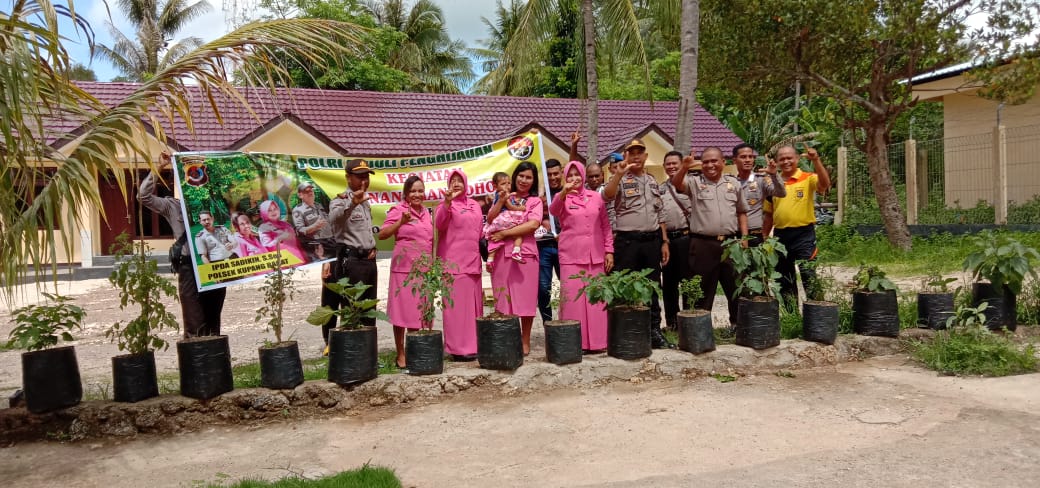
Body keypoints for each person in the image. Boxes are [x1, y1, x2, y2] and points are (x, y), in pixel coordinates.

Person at [139, 152, 225, 338]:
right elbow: (143, 197)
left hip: (215, 265)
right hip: (189, 267)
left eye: (200, 179)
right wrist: (159, 166)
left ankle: (215, 364)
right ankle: (196, 361)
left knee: (213, 320)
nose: (196, 183)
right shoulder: (173, 206)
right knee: (193, 321)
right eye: (190, 179)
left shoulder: (214, 205)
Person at [604, 139, 673, 349]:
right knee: (622, 286)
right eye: (631, 153)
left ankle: (654, 332)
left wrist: (664, 241)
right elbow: (607, 195)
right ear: (625, 156)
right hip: (627, 242)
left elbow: (659, 213)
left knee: (652, 286)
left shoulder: (652, 181)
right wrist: (619, 174)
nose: (635, 156)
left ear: (645, 156)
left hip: (651, 241)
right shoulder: (620, 179)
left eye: (639, 152)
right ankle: (622, 333)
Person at [670, 147, 749, 326]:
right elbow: (677, 184)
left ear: (723, 162)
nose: (710, 165)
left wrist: (744, 238)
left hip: (730, 244)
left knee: (736, 287)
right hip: (703, 244)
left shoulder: (733, 184)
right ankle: (700, 329)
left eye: (714, 161)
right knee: (702, 290)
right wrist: (684, 167)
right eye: (705, 162)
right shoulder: (695, 183)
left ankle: (738, 326)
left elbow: (742, 212)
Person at [549, 161, 614, 352]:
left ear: (584, 176)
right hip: (571, 256)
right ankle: (574, 342)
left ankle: (598, 343)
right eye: (570, 175)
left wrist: (609, 250)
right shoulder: (561, 198)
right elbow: (553, 211)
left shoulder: (596, 198)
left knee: (596, 300)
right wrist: (563, 192)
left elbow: (605, 226)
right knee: (573, 302)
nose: (574, 179)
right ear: (565, 177)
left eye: (578, 175)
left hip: (596, 256)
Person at [487, 162, 543, 355]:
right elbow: (490, 219)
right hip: (502, 252)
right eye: (521, 176)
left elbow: (533, 224)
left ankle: (525, 340)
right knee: (502, 297)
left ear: (533, 180)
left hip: (525, 253)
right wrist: (501, 201)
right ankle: (506, 339)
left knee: (526, 300)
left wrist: (505, 234)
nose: (524, 180)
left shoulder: (535, 201)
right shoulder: (503, 196)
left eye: (529, 177)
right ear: (514, 177)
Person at [379, 175, 434, 369]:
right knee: (402, 312)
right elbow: (383, 234)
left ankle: (417, 350)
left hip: (424, 269)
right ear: (406, 193)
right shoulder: (398, 210)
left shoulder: (427, 213)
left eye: (420, 190)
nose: (417, 194)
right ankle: (401, 353)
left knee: (420, 311)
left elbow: (430, 240)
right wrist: (400, 222)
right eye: (413, 191)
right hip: (404, 269)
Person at [323, 159, 379, 347]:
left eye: (366, 176)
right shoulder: (340, 200)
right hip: (351, 262)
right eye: (359, 176)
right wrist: (352, 203)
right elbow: (334, 219)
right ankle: (350, 352)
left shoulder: (366, 202)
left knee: (369, 309)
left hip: (368, 262)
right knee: (351, 309)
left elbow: (364, 231)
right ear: (348, 178)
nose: (364, 181)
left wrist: (372, 246)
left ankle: (367, 352)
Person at [768, 145, 831, 301]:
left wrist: (816, 160)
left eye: (789, 158)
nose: (786, 161)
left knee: (808, 273)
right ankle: (791, 316)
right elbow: (768, 214)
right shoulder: (771, 182)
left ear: (797, 159)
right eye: (782, 159)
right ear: (776, 162)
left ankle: (817, 315)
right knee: (784, 278)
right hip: (780, 236)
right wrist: (764, 236)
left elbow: (824, 185)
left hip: (804, 234)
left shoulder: (807, 178)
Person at [435, 169, 485, 361]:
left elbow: (479, 231)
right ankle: (457, 349)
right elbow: (439, 224)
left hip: (473, 263)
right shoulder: (445, 206)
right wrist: (447, 202)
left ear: (466, 184)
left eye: (460, 181)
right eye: (453, 181)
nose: (456, 184)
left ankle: (474, 345)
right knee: (455, 308)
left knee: (473, 307)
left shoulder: (475, 205)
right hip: (453, 264)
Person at [659, 150, 693, 330]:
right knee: (669, 284)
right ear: (664, 167)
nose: (671, 167)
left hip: (686, 237)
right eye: (668, 164)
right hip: (668, 242)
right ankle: (672, 323)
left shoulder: (691, 185)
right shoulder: (660, 189)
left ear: (682, 165)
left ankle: (688, 319)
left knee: (688, 281)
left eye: (675, 164)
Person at [733, 143, 785, 246]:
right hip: (733, 234)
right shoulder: (730, 182)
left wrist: (774, 175)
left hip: (754, 234)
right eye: (743, 157)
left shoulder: (761, 180)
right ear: (735, 160)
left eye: (750, 157)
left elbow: (781, 193)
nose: (748, 160)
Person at [536, 158, 563, 324]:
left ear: (561, 173)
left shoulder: (568, 193)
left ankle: (567, 322)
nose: (553, 177)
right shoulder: (540, 196)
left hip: (564, 247)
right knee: (543, 288)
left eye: (556, 173)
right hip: (543, 247)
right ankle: (548, 323)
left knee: (567, 286)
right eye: (549, 174)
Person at [482, 172, 527, 267]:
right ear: (495, 186)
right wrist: (521, 208)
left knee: (495, 240)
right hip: (504, 219)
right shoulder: (502, 195)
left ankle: (490, 259)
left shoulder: (503, 194)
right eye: (503, 184)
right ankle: (516, 251)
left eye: (509, 183)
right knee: (518, 234)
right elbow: (510, 207)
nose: (507, 186)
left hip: (498, 221)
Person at [292, 181, 335, 261]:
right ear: (300, 195)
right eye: (306, 191)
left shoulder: (318, 205)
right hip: (317, 246)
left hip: (331, 242)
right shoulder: (298, 210)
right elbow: (300, 230)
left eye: (311, 190)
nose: (310, 193)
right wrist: (314, 226)